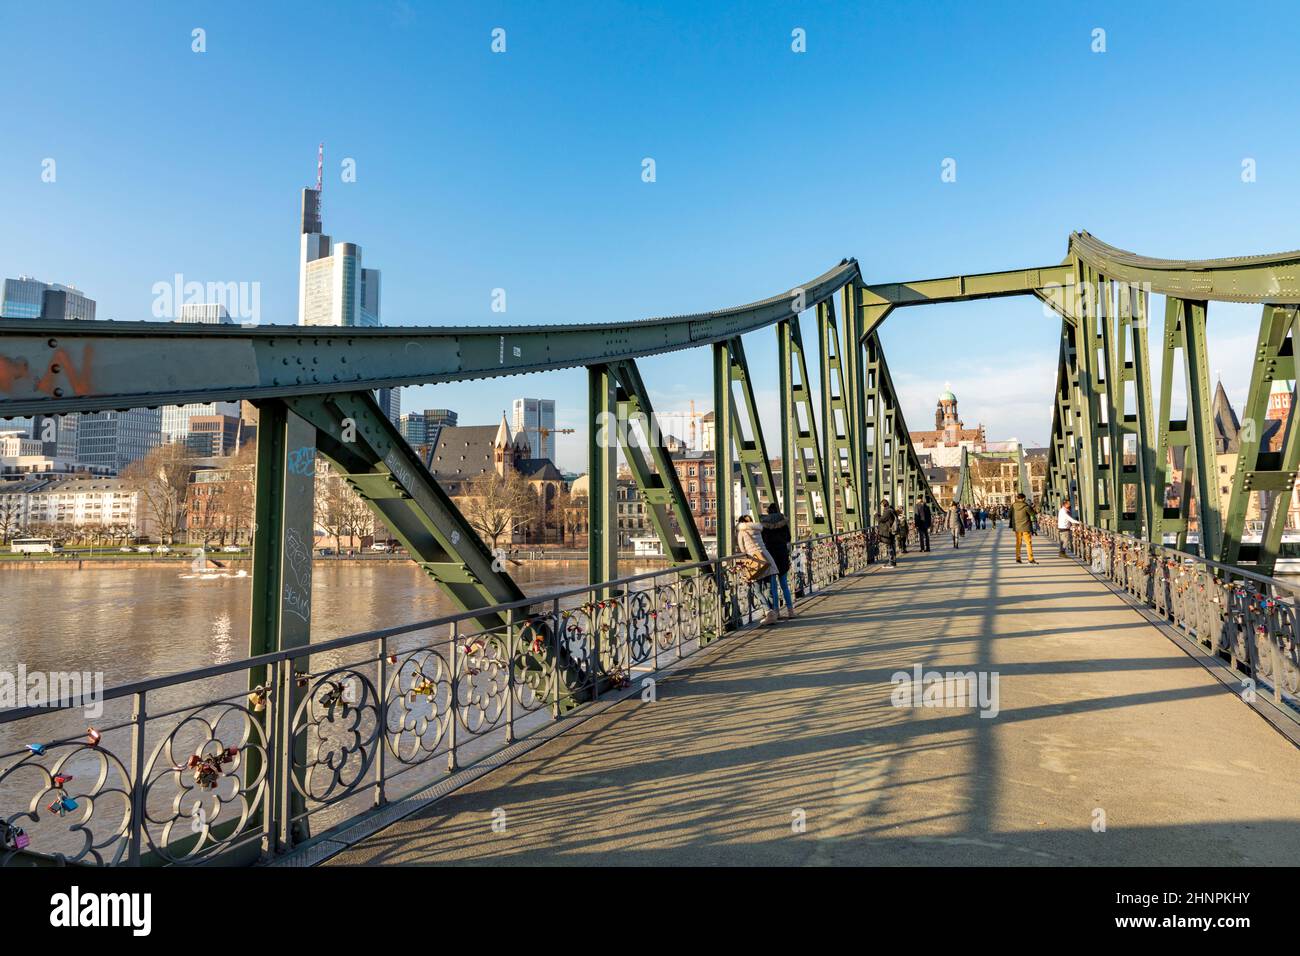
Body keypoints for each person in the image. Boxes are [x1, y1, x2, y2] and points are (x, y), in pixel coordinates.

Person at [737, 515, 780, 624]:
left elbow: (742, 549)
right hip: (766, 560)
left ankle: (768, 612)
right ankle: (773, 614)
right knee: (768, 589)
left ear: (741, 523)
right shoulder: (757, 529)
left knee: (757, 590)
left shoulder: (742, 532)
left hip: (756, 563)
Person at [760, 503, 796, 619]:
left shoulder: (764, 525)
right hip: (782, 554)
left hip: (771, 555)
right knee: (784, 584)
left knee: (774, 586)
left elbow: (763, 540)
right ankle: (790, 611)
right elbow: (788, 538)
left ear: (768, 512)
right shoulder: (783, 523)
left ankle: (776, 612)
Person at [1009, 492, 1038, 564]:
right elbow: (1033, 514)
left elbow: (1009, 515)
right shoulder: (1026, 506)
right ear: (1023, 498)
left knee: (1018, 543)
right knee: (1028, 543)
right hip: (1026, 527)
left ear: (1017, 498)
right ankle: (1030, 559)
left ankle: (1018, 558)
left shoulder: (1013, 506)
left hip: (1017, 527)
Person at [877, 496, 899, 568]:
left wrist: (876, 515)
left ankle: (891, 562)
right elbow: (885, 518)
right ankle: (893, 562)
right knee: (892, 545)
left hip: (889, 531)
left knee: (890, 546)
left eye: (881, 505)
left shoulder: (887, 511)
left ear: (883, 505)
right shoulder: (891, 510)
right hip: (892, 530)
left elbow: (881, 520)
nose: (881, 507)